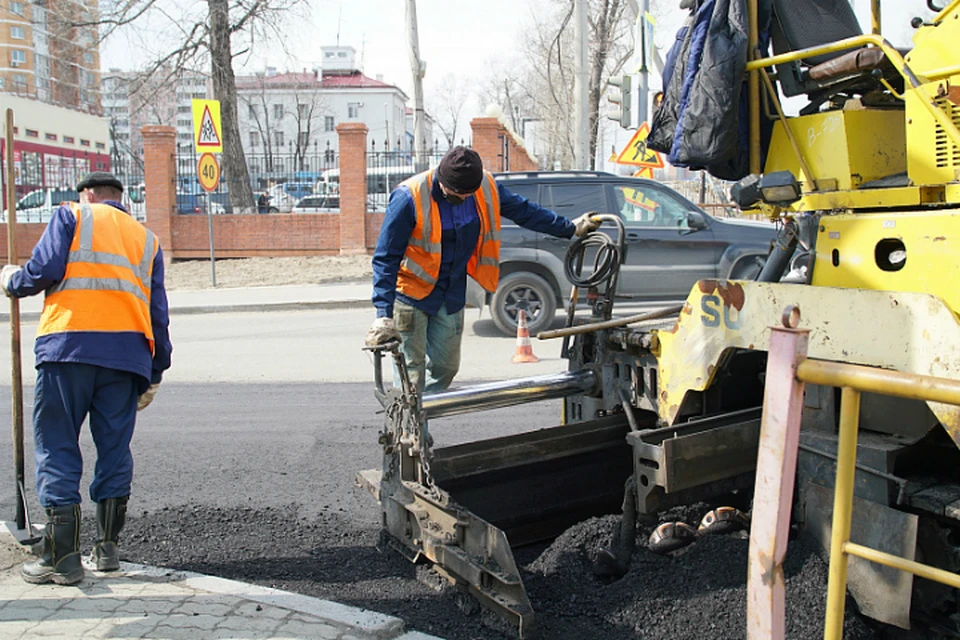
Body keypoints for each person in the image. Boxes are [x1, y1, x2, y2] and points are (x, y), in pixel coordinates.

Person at [1, 171, 173, 585]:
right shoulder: (146, 240)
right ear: (121, 199)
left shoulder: (71, 215)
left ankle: (61, 557)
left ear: (89, 194)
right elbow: (158, 313)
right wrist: (156, 371)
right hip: (127, 358)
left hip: (69, 348)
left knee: (58, 444)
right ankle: (107, 549)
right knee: (114, 449)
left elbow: (43, 270)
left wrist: (12, 281)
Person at [364, 146, 599, 392]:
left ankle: (421, 412)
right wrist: (383, 313)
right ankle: (411, 428)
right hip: (411, 296)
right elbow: (385, 258)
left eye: (468, 194)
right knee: (411, 376)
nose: (464, 199)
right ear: (442, 181)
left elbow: (525, 212)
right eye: (457, 194)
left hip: (451, 294)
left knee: (447, 367)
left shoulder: (485, 187)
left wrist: (569, 228)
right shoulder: (409, 197)